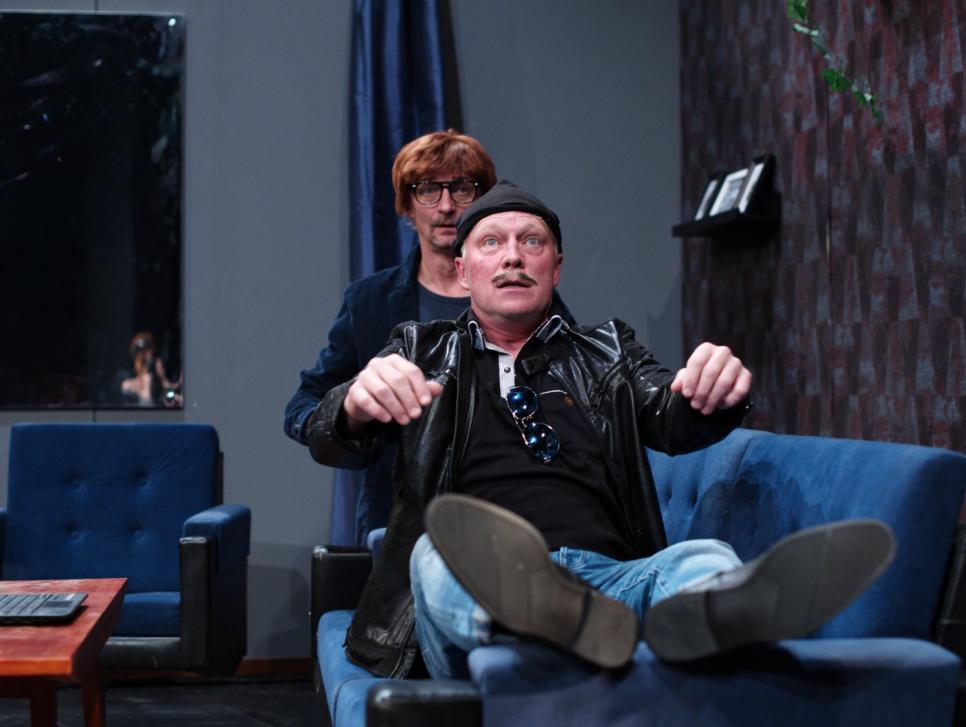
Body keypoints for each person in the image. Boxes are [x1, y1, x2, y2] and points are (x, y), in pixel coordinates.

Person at [304, 181, 894, 679]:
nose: (513, 257)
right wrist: (355, 403)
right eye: (492, 243)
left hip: (611, 583)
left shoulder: (608, 350)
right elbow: (330, 436)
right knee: (436, 554)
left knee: (702, 558)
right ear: (464, 271)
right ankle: (544, 624)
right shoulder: (419, 349)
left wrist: (713, 391)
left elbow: (672, 416)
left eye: (532, 242)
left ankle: (727, 617)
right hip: (480, 580)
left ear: (555, 266)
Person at [284, 130, 573, 543]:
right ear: (406, 205)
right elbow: (304, 408)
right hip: (403, 519)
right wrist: (351, 409)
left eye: (462, 188)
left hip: (513, 515)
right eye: (427, 191)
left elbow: (574, 392)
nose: (446, 206)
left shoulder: (521, 291)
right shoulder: (369, 300)